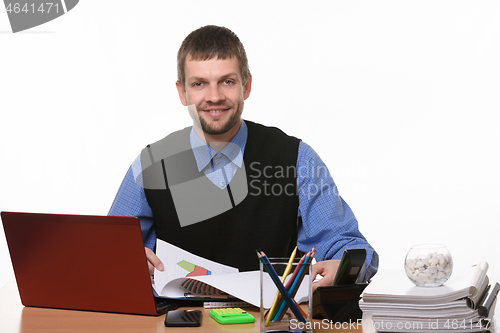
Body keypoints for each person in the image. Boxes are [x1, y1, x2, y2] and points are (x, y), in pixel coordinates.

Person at [109, 25, 378, 290]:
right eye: (199, 84)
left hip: (268, 324)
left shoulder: (296, 159)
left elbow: (351, 248)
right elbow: (106, 254)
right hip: (181, 324)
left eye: (227, 82)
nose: (214, 97)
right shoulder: (151, 165)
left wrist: (344, 268)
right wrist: (124, 262)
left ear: (246, 86)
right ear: (183, 93)